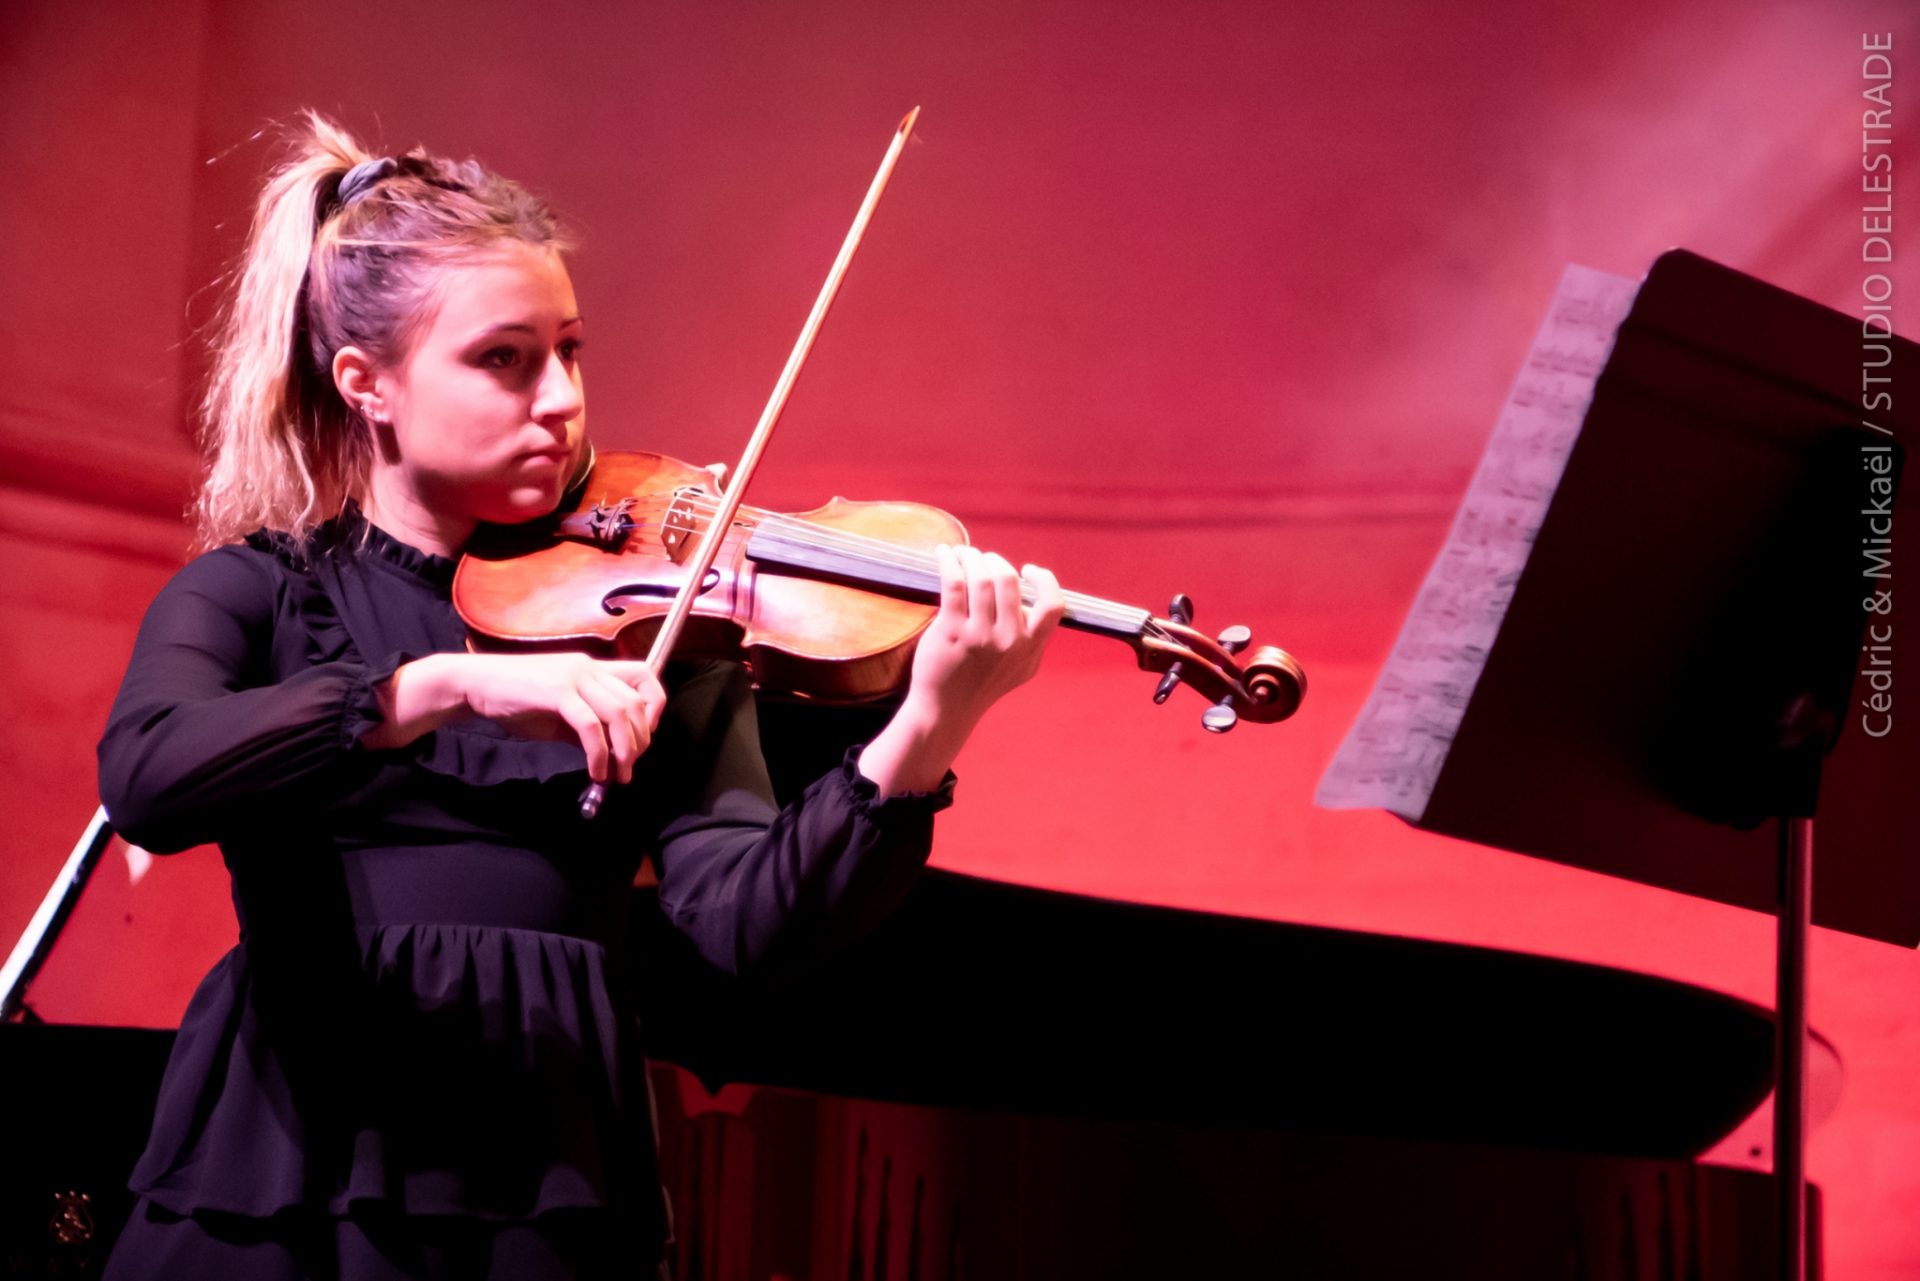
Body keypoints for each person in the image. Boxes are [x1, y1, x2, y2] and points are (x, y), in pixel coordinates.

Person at [96, 112, 1063, 1281]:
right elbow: (148, 777)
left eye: (570, 350)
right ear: (367, 383)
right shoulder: (259, 593)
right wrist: (441, 686)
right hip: (287, 1170)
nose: (559, 397)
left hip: (538, 1179)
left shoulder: (653, 626)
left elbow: (748, 928)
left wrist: (929, 724)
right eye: (503, 359)